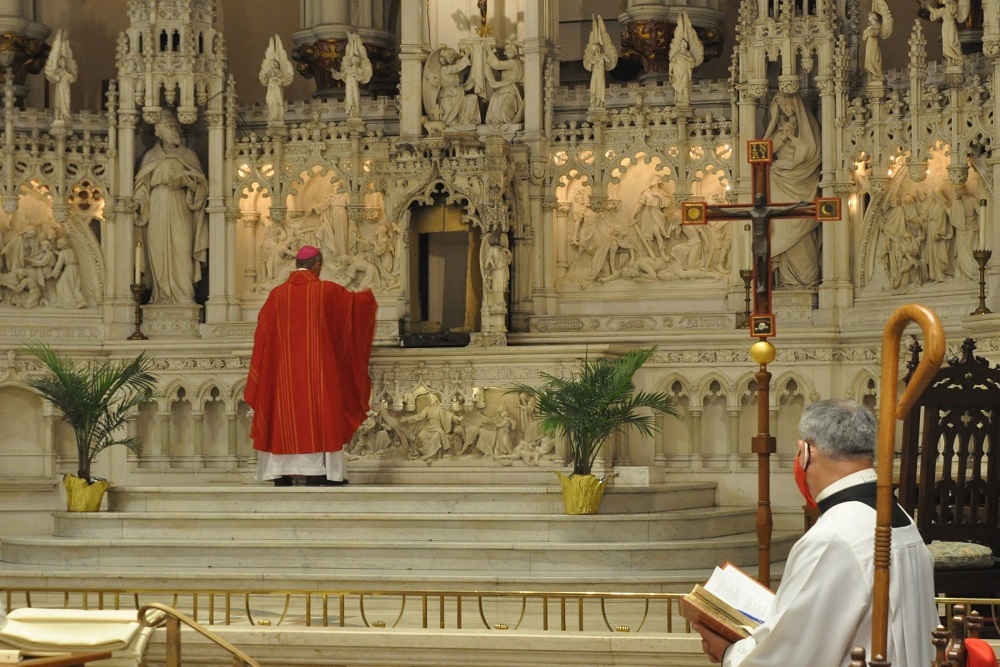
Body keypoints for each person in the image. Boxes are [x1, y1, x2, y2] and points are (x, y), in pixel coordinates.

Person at [693, 399, 937, 667]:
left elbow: (790, 658)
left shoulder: (832, 537)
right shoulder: (900, 517)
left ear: (806, 452)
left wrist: (730, 653)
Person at [245, 245, 377, 487]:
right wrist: (367, 296)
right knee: (320, 414)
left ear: (297, 265)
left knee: (283, 416)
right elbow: (355, 310)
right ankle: (321, 473)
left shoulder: (276, 295)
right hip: (318, 372)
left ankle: (280, 473)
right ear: (317, 266)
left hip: (281, 376)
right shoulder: (326, 291)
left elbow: (262, 337)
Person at [132, 110, 209, 304]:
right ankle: (161, 296)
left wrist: (191, 186)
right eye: (169, 127)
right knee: (158, 252)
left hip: (181, 206)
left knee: (182, 250)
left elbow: (202, 188)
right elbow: (141, 188)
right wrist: (138, 203)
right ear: (158, 132)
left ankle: (184, 295)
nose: (174, 131)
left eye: (176, 127)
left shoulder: (188, 155)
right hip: (157, 207)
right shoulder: (151, 157)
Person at [762, 91, 823, 289]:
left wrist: (795, 140)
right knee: (781, 227)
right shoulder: (779, 128)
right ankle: (787, 281)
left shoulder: (809, 125)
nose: (785, 110)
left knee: (802, 234)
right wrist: (782, 137)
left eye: (787, 105)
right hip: (779, 181)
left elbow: (813, 152)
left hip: (802, 184)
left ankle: (806, 282)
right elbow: (763, 151)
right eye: (780, 107)